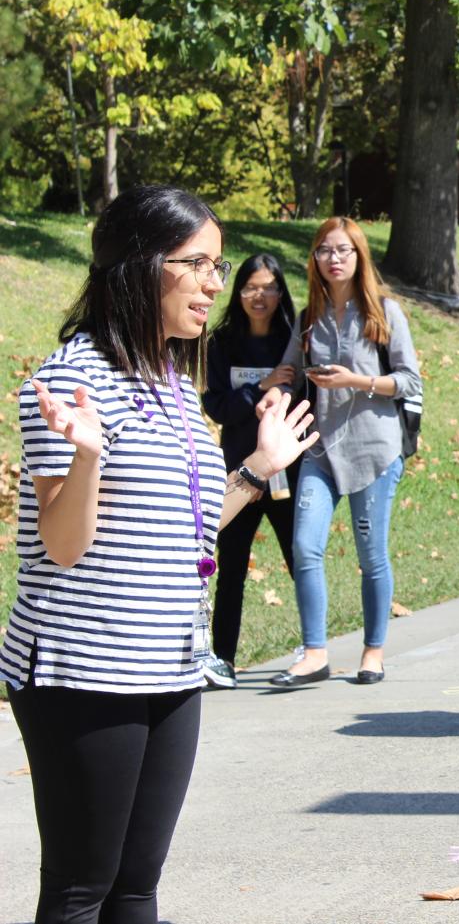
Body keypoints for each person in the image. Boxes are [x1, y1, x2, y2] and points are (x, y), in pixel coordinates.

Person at [2, 185, 316, 924]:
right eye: (198, 263)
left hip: (170, 661)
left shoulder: (171, 378)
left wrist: (257, 469)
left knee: (137, 887)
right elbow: (64, 544)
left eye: (219, 263)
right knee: (83, 888)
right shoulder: (71, 381)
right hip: (85, 667)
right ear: (140, 269)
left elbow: (188, 523)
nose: (217, 283)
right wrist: (85, 456)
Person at [265, 217, 422, 689]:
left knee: (371, 555)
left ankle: (373, 651)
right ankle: (315, 653)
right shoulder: (309, 317)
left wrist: (355, 381)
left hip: (374, 450)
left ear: (359, 257)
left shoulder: (384, 312)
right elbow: (290, 368)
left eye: (343, 251)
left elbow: (410, 381)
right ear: (314, 259)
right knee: (304, 546)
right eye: (324, 251)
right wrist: (275, 389)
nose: (334, 259)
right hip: (320, 450)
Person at [200, 253, 300, 687]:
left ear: (281, 292)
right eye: (249, 288)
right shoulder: (222, 341)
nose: (259, 297)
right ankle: (222, 659)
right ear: (237, 291)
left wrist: (280, 396)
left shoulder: (294, 339)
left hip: (288, 472)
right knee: (232, 568)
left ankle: (316, 645)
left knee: (303, 560)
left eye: (269, 288)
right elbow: (217, 405)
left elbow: (306, 398)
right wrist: (258, 389)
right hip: (241, 474)